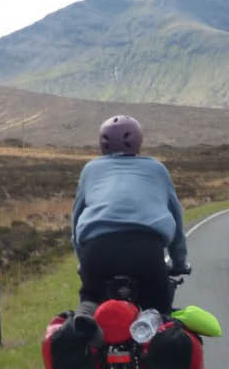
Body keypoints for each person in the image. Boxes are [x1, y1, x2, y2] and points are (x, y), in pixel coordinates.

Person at [72, 115, 189, 317]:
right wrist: (179, 262)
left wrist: (83, 261)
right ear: (138, 141)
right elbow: (176, 220)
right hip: (146, 251)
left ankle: (86, 322)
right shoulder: (157, 169)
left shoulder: (90, 169)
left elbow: (76, 218)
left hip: (97, 250)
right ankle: (156, 330)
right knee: (159, 311)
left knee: (91, 299)